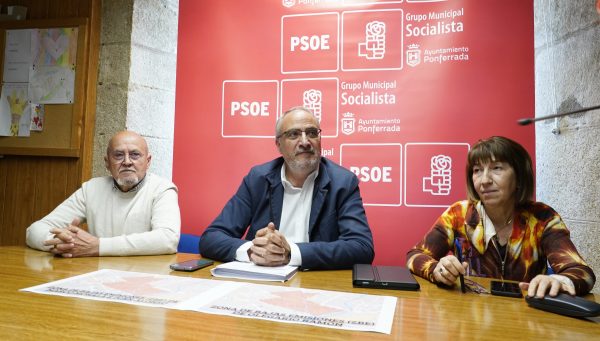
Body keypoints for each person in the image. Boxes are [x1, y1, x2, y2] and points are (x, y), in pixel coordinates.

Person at [407, 136, 595, 297]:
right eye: (477, 170)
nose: (485, 180)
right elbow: (415, 255)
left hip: (527, 321)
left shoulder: (541, 218)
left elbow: (582, 273)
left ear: (519, 178)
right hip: (471, 320)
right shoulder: (459, 214)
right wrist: (436, 270)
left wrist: (559, 281)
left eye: (497, 168)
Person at [199, 106, 374, 269]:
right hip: (261, 282)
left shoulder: (342, 182)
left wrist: (292, 253)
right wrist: (253, 251)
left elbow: (362, 247)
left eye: (312, 133)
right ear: (278, 145)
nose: (305, 142)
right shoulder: (258, 179)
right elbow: (211, 238)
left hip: (314, 283)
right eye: (293, 134)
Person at [26, 131, 181, 257]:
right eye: (118, 155)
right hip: (97, 276)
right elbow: (34, 230)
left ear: (148, 161)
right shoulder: (92, 189)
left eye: (135, 155)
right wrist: (62, 243)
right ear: (107, 163)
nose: (127, 161)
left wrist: (98, 246)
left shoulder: (162, 189)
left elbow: (167, 239)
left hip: (144, 280)